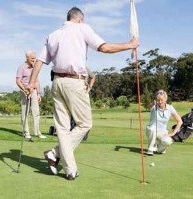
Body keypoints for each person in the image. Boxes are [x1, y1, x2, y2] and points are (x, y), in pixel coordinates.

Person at [27, 7, 138, 180]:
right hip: (74, 82)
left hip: (56, 83)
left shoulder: (53, 34)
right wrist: (129, 45)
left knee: (63, 129)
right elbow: (104, 48)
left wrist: (31, 83)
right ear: (80, 19)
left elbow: (40, 62)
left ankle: (69, 169)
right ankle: (55, 153)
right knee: (84, 124)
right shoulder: (83, 28)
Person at [16, 50, 46, 142]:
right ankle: (26, 133)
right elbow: (18, 81)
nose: (34, 60)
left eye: (34, 58)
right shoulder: (21, 68)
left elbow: (36, 81)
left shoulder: (34, 68)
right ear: (27, 58)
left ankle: (37, 132)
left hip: (33, 91)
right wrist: (24, 90)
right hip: (24, 91)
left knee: (36, 112)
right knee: (25, 112)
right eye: (32, 58)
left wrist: (38, 93)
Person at [146, 90, 183, 156]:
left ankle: (160, 149)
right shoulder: (154, 106)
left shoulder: (170, 108)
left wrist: (173, 133)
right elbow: (148, 107)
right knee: (152, 129)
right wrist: (152, 104)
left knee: (168, 141)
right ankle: (151, 149)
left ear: (165, 99)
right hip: (151, 130)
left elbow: (180, 121)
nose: (160, 102)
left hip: (162, 132)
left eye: (161, 100)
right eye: (158, 100)